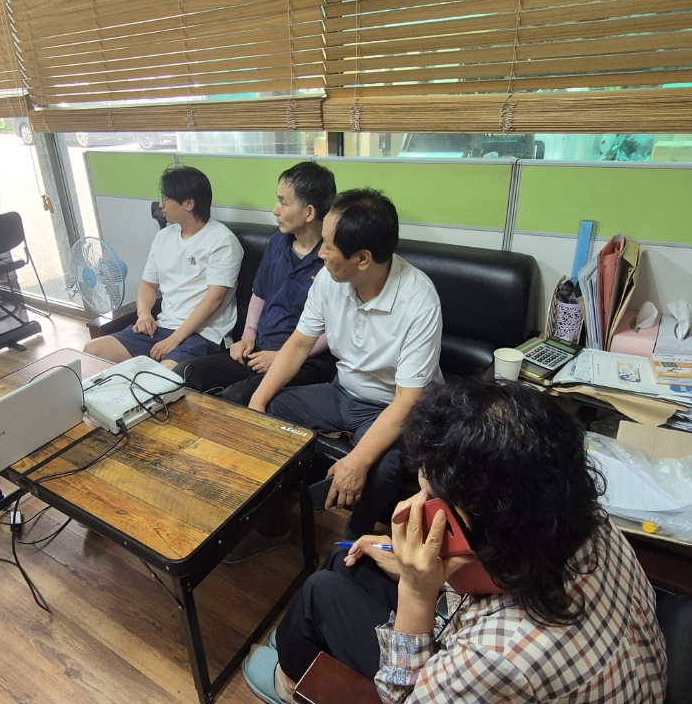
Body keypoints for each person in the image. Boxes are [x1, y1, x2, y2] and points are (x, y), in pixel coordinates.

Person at [243, 380, 669, 704]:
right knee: (349, 562)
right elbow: (486, 580)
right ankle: (303, 644)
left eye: (431, 502)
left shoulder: (502, 655)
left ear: (482, 529)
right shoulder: (581, 523)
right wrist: (411, 566)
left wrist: (415, 589)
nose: (411, 507)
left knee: (319, 593)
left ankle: (292, 685)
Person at [248, 188, 442, 541]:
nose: (320, 253)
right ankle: (275, 519)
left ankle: (351, 543)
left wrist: (357, 462)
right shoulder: (329, 279)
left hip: (391, 405)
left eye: (328, 246)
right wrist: (257, 404)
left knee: (383, 468)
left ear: (363, 259)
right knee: (270, 410)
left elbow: (407, 401)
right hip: (343, 392)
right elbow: (299, 344)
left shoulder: (419, 300)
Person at [177, 161, 338, 407]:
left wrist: (281, 357)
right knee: (186, 373)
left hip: (304, 361)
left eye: (284, 202)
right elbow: (259, 293)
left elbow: (335, 328)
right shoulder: (277, 241)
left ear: (309, 212)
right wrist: (248, 336)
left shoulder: (332, 258)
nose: (275, 210)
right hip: (258, 351)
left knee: (238, 397)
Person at [85, 164, 242, 370]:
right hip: (162, 328)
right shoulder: (163, 237)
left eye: (166, 199)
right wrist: (144, 314)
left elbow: (215, 299)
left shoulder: (222, 241)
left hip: (203, 336)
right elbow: (148, 285)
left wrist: (174, 339)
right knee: (93, 351)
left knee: (158, 377)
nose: (161, 205)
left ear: (189, 204)